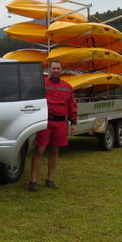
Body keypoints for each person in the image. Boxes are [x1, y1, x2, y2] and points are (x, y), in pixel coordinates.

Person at [29, 60, 77, 192]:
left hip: (60, 123)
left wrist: (73, 123)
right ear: (49, 70)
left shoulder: (67, 87)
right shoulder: (41, 85)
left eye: (58, 68)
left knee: (55, 151)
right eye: (54, 68)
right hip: (45, 122)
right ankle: (33, 181)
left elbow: (72, 105)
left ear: (62, 70)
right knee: (39, 150)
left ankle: (50, 179)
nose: (56, 70)